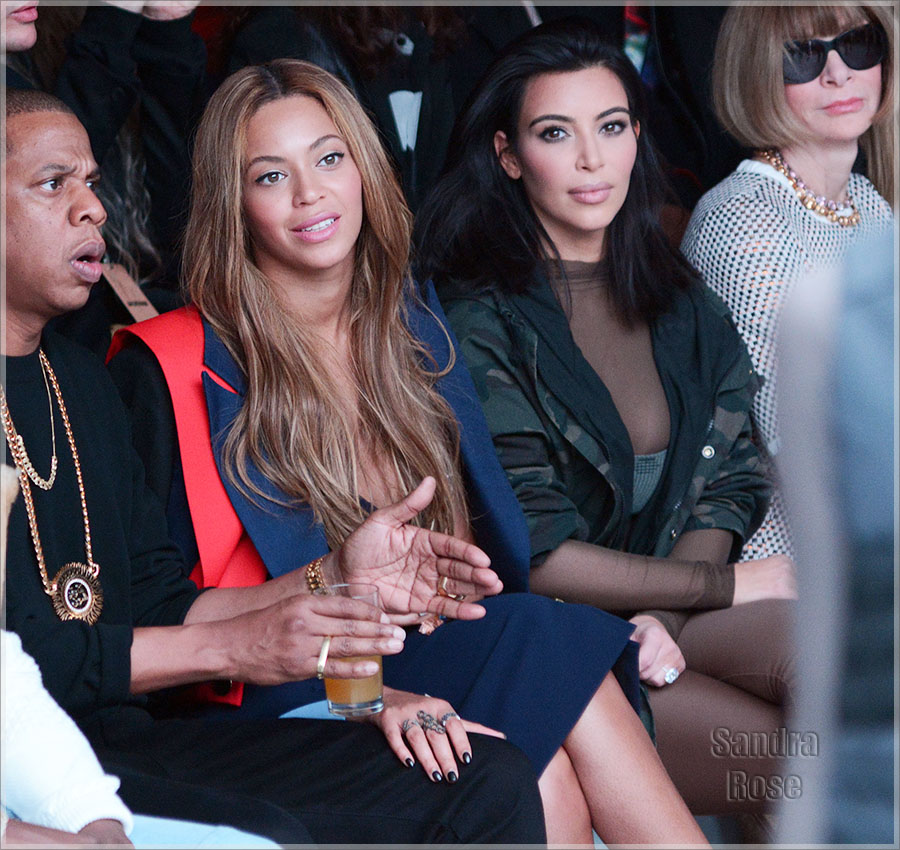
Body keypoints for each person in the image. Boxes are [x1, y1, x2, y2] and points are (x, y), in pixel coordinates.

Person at [107, 59, 708, 846]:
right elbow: (163, 620)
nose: (310, 193)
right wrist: (363, 677)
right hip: (270, 681)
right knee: (542, 645)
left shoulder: (412, 322)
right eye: (270, 175)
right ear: (234, 204)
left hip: (424, 645)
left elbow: (484, 552)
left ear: (362, 168)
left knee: (546, 738)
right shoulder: (168, 366)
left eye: (329, 159)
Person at [2, 87, 547, 846]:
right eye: (53, 183)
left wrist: (332, 574)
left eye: (92, 182)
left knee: (487, 778)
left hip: (128, 740)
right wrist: (237, 646)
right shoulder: (141, 370)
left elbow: (160, 599)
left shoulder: (77, 378)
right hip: (25, 761)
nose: (93, 208)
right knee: (269, 831)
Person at [417, 19, 798, 816]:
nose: (593, 160)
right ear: (509, 155)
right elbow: (542, 551)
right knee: (817, 762)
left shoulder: (677, 292)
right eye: (557, 133)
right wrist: (724, 585)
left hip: (674, 614)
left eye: (612, 126)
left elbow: (726, 476)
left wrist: (668, 610)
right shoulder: (477, 320)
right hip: (567, 640)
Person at [681, 4, 894, 561]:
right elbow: (802, 443)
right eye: (802, 55)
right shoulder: (741, 219)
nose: (838, 72)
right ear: (756, 74)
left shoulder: (867, 207)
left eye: (858, 44)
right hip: (790, 560)